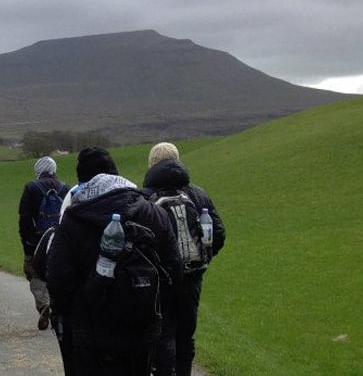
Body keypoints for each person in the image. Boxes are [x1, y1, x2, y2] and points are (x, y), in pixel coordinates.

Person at [46, 147, 178, 375]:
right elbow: (174, 271)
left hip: (91, 334)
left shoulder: (73, 218)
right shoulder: (154, 213)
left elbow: (58, 281)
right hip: (142, 329)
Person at [143, 142, 226, 376]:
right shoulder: (198, 194)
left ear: (152, 164)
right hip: (192, 278)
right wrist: (203, 258)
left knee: (164, 335)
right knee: (186, 336)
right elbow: (218, 234)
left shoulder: (146, 197)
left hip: (161, 281)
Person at [18, 156, 69, 330]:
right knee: (58, 273)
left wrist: (27, 244)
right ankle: (59, 308)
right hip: (60, 239)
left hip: (37, 240)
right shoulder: (64, 187)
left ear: (38, 170)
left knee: (35, 274)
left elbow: (24, 220)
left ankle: (43, 304)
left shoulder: (31, 187)